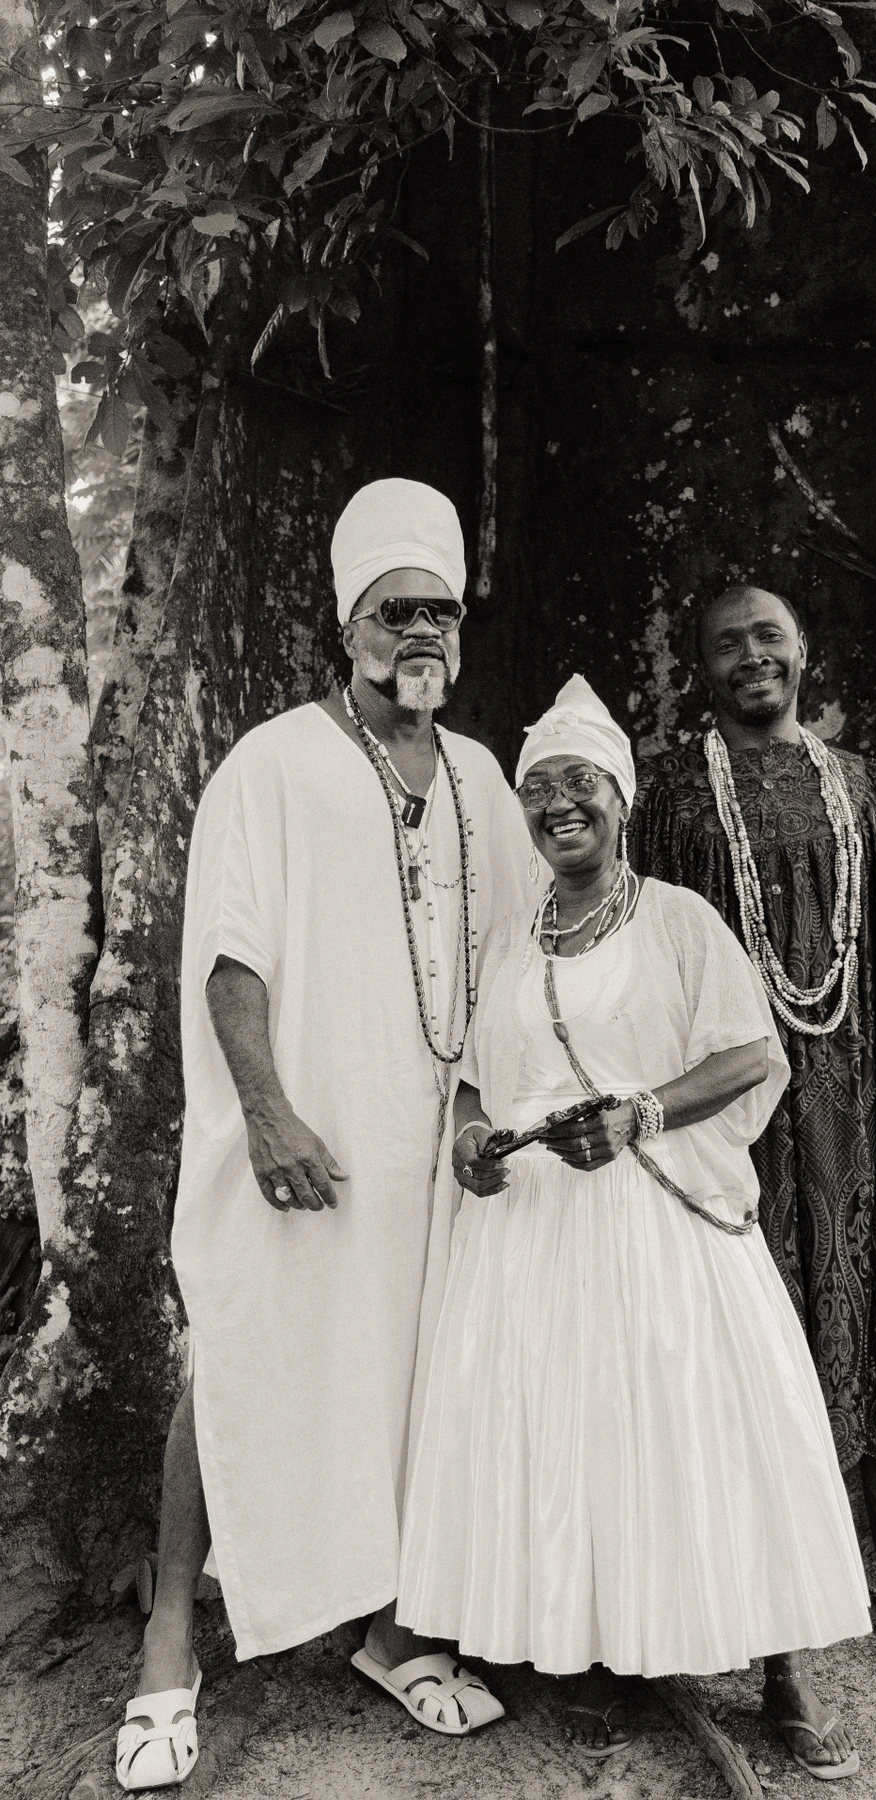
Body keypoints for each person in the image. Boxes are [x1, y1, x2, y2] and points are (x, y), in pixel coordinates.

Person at [114, 479, 535, 1791]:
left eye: (442, 613)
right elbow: (230, 959)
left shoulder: (481, 777)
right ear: (350, 619)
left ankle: (397, 1628)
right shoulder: (275, 759)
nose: (423, 634)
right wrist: (270, 1109)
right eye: (398, 610)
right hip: (303, 1141)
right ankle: (168, 1650)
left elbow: (522, 960)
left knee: (423, 1384)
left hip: (439, 1154)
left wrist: (489, 1108)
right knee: (239, 1359)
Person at [386, 674, 872, 1781]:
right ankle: (603, 1651)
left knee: (710, 1432)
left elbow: (756, 1056)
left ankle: (784, 1669)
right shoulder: (511, 942)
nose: (561, 805)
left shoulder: (679, 922)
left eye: (582, 785)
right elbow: (474, 1077)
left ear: (621, 797)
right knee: (581, 1437)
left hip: (660, 1224)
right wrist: (470, 1138)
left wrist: (643, 1111)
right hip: (537, 1240)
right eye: (540, 789)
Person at [628, 586, 876, 1669]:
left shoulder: (870, 790)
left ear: (804, 650)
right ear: (701, 667)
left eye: (769, 636)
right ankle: (771, 1589)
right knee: (755, 1331)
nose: (752, 656)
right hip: (737, 1117)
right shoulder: (675, 803)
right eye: (727, 643)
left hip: (870, 1104)